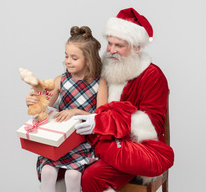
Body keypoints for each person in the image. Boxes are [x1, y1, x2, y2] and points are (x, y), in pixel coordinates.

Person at [73, 8, 175, 192]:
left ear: (136, 47)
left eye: (118, 45)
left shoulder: (152, 75)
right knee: (66, 169)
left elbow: (152, 124)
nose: (111, 51)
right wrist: (46, 100)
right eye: (109, 44)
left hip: (135, 146)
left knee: (90, 175)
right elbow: (77, 92)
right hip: (102, 142)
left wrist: (105, 123)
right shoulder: (104, 69)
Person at [26, 26, 108, 192]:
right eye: (66, 56)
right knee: (48, 171)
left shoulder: (100, 84)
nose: (67, 61)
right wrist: (33, 102)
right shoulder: (60, 80)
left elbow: (102, 116)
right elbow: (45, 104)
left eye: (74, 58)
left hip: (82, 143)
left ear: (88, 60)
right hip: (59, 142)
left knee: (73, 175)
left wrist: (76, 112)